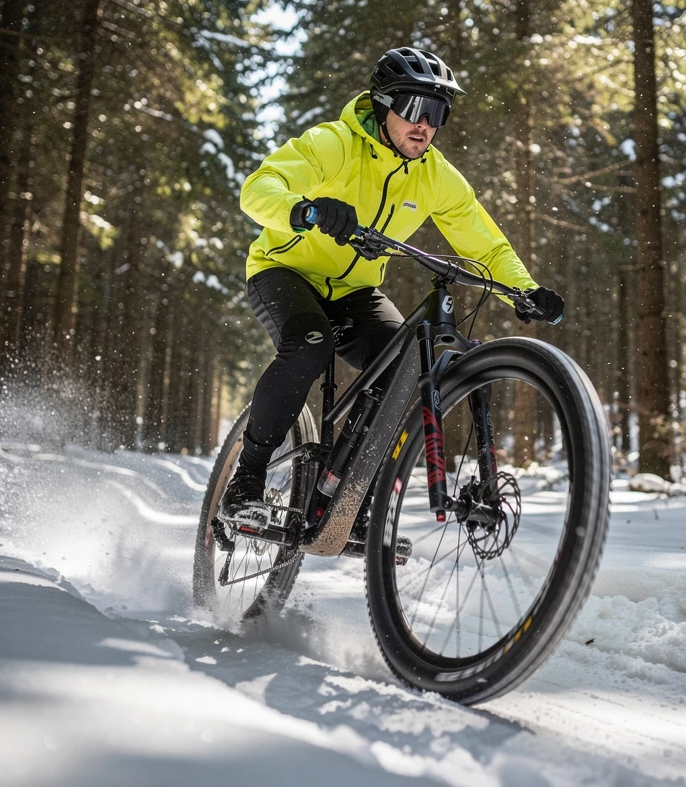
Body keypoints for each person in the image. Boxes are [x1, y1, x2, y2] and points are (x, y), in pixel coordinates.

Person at [221, 46, 564, 531]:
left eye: (437, 113)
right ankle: (247, 479)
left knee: (404, 368)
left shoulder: (436, 177)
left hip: (355, 289)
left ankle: (348, 492)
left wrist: (523, 289)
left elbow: (485, 245)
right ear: (383, 105)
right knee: (310, 346)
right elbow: (259, 187)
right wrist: (305, 210)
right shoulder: (334, 144)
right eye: (414, 109)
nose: (424, 125)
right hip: (285, 270)